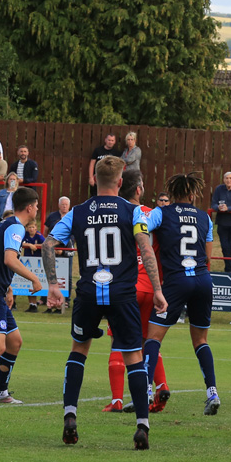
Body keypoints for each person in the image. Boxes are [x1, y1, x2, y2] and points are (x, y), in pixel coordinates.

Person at [43, 155, 167, 450]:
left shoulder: (77, 212)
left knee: (79, 350)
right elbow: (146, 250)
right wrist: (159, 290)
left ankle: (70, 416)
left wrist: (52, 285)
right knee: (133, 356)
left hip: (88, 292)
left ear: (95, 180)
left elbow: (48, 244)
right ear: (121, 182)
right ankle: (141, 426)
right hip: (122, 294)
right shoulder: (133, 211)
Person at [141, 173, 221, 416]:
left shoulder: (161, 213)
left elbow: (141, 232)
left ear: (172, 193)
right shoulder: (205, 217)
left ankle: (144, 389)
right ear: (192, 194)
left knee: (153, 338)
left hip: (176, 280)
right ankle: (212, 392)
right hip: (203, 280)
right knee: (201, 340)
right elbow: (207, 256)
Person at [102, 170, 171, 414]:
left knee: (119, 342)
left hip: (127, 287)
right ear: (139, 189)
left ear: (121, 188)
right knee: (147, 342)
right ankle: (161, 386)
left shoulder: (115, 214)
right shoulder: (153, 214)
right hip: (153, 287)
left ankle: (117, 400)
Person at [0, 188, 43, 407]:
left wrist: (8, 289)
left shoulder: (6, 225)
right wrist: (35, 278)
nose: (37, 209)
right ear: (29, 207)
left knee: (14, 342)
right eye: (36, 205)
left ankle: (0, 392)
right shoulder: (16, 226)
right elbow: (9, 259)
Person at [211, 171, 231, 272]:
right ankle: (229, 267)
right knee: (224, 245)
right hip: (222, 222)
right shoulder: (218, 189)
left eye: (230, 178)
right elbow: (213, 204)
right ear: (223, 179)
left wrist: (227, 208)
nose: (228, 180)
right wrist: (219, 207)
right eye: (226, 178)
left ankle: (228, 267)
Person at [20, 220, 45, 312]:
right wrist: (29, 245)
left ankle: (36, 304)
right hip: (27, 262)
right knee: (27, 282)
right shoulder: (25, 234)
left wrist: (36, 245)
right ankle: (31, 304)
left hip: (37, 263)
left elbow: (45, 244)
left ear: (36, 228)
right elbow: (20, 243)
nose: (31, 229)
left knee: (35, 282)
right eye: (29, 227)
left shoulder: (38, 235)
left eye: (33, 227)